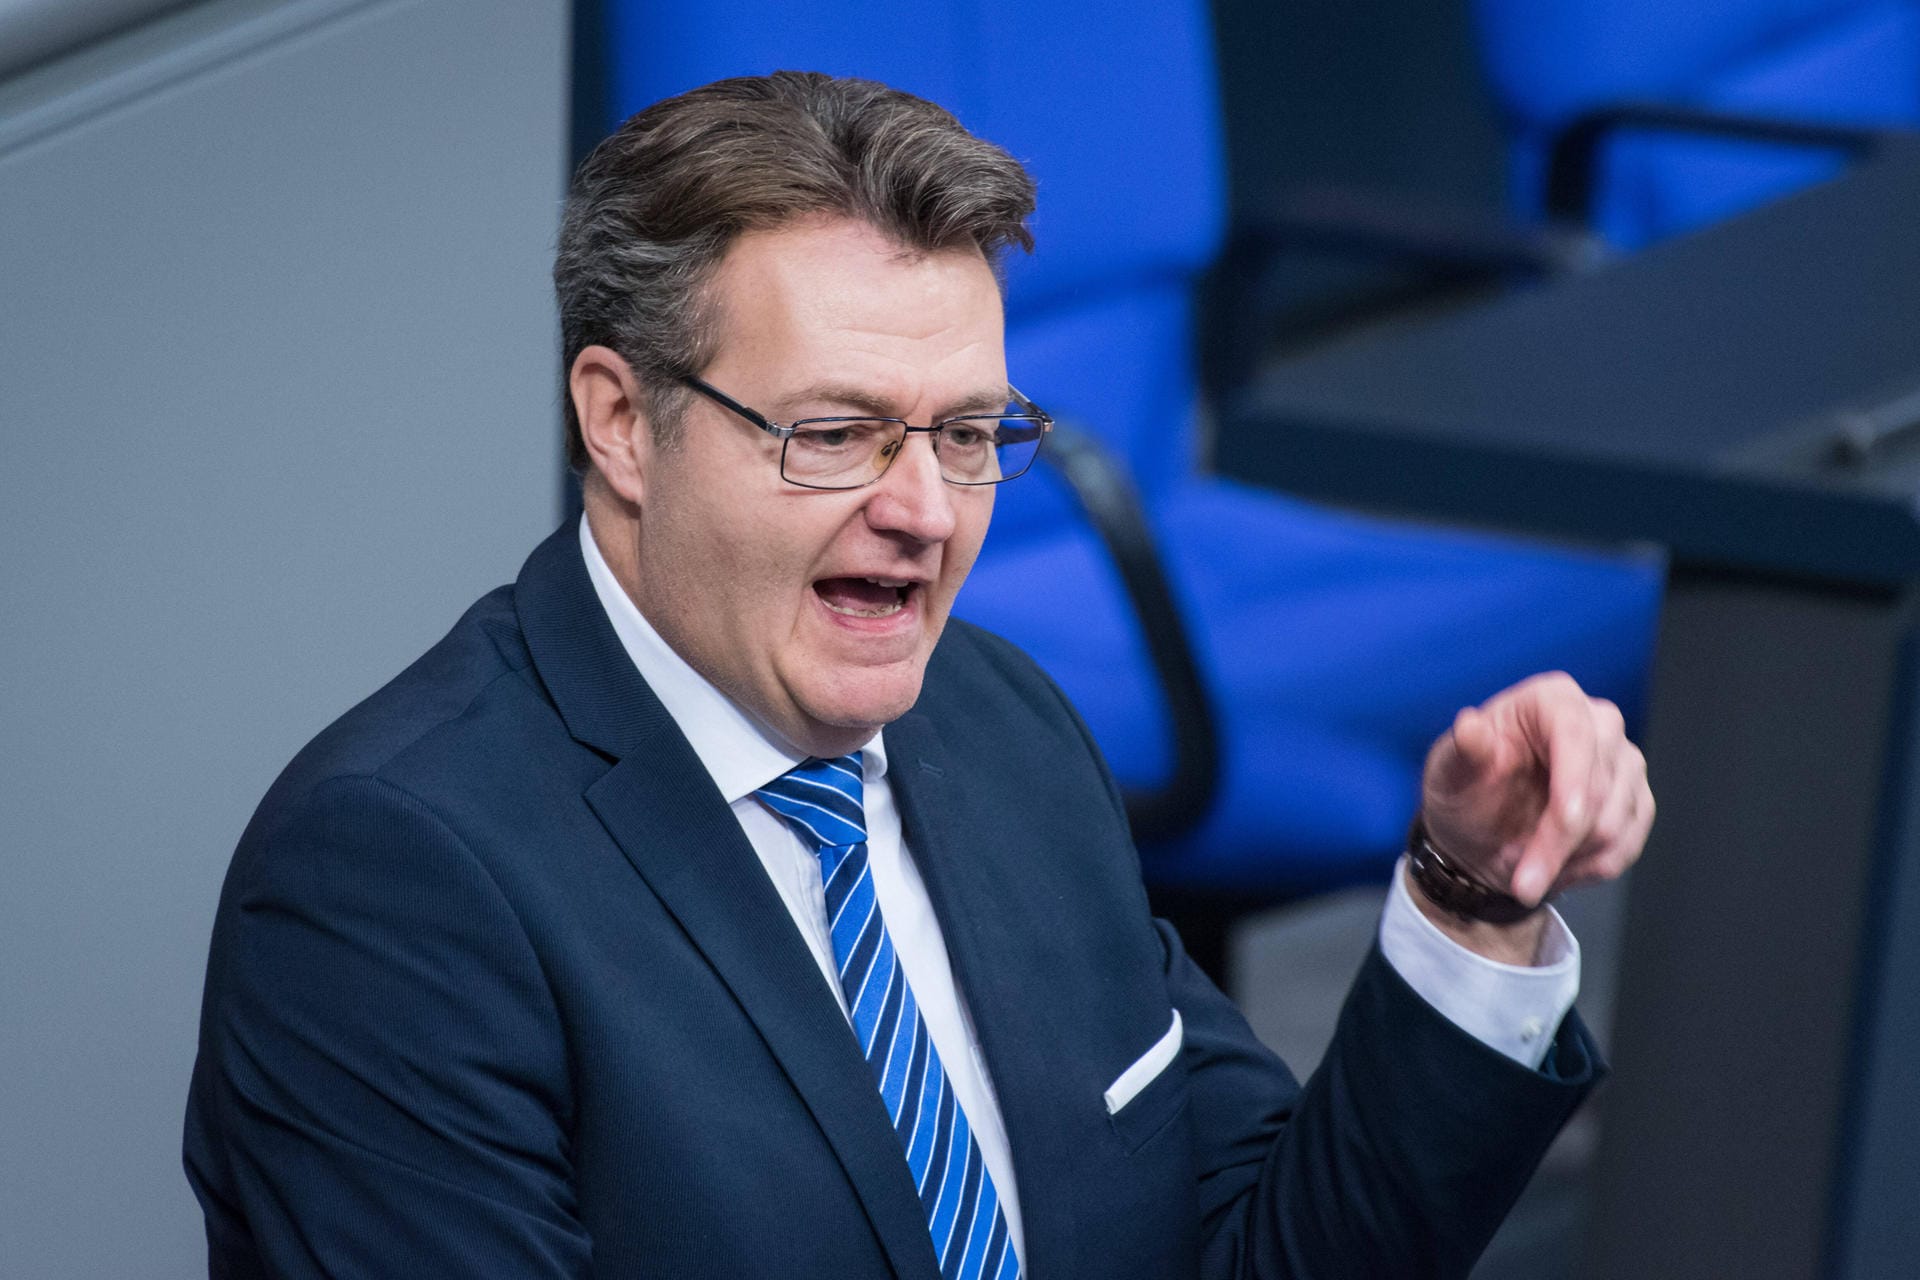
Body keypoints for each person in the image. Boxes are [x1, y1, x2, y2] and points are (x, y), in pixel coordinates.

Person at [184, 72, 1653, 1279]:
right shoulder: (389, 884)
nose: (928, 511)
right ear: (621, 424)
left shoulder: (999, 724)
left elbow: (1260, 1254)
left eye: (968, 434)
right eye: (835, 434)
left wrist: (1473, 898)